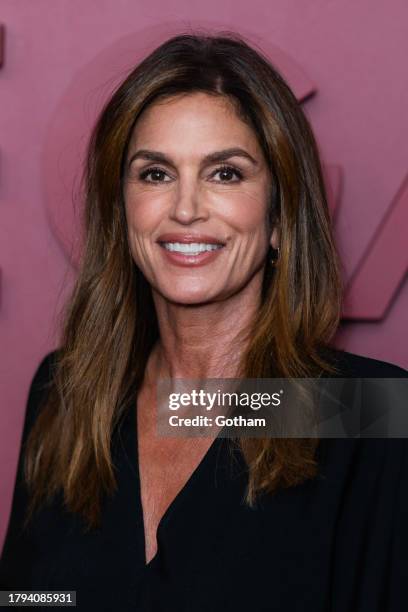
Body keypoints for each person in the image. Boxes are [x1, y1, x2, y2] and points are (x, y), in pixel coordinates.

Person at [1, 31, 407, 611]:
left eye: (226, 173)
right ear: (122, 211)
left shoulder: (371, 410)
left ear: (278, 218)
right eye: (156, 174)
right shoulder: (67, 390)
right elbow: (30, 597)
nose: (186, 208)